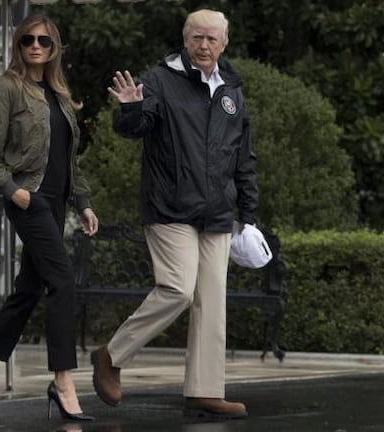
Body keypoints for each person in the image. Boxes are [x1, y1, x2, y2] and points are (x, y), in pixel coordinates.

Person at [91, 8, 257, 420]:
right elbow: (136, 127)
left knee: (211, 302)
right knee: (178, 290)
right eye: (197, 38)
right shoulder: (161, 80)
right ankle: (111, 356)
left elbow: (242, 156)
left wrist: (249, 212)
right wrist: (130, 108)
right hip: (170, 208)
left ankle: (204, 390)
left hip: (217, 212)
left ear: (224, 43)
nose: (204, 45)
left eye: (212, 39)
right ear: (185, 40)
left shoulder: (232, 90)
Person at [0, 13, 98, 421]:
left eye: (44, 41)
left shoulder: (58, 93)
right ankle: (63, 381)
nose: (35, 46)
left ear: (54, 48)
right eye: (27, 40)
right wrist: (12, 190)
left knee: (29, 289)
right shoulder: (5, 90)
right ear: (18, 45)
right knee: (62, 280)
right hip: (30, 199)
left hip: (56, 202)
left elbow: (68, 161)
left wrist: (84, 202)